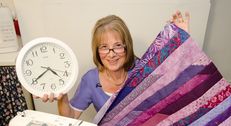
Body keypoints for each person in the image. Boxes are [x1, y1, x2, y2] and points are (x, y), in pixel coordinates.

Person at [38, 11, 190, 119]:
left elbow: (174, 83)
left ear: (126, 46)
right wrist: (62, 97)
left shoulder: (142, 70)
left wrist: (181, 41)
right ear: (97, 50)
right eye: (104, 47)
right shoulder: (90, 80)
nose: (111, 54)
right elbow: (70, 118)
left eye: (117, 45)